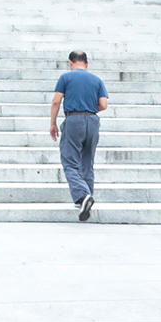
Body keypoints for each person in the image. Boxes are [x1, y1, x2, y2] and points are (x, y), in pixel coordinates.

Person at [50, 50, 109, 221]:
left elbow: (56, 101)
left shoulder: (66, 78)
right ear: (87, 63)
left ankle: (83, 196)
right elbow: (104, 104)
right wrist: (90, 110)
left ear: (70, 63)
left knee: (70, 161)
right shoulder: (97, 80)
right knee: (87, 161)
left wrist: (53, 123)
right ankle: (85, 196)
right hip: (92, 120)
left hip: (74, 119)